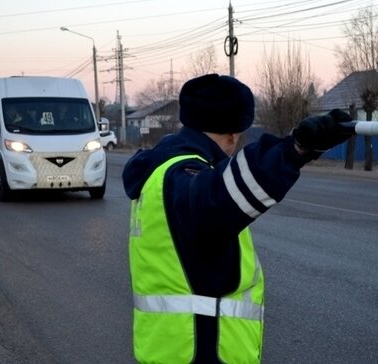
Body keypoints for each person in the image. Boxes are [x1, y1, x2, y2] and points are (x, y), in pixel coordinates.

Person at [122, 73, 352, 364]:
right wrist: (295, 149)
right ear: (232, 134)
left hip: (169, 348)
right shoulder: (182, 177)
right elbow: (224, 195)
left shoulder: (159, 169)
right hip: (199, 350)